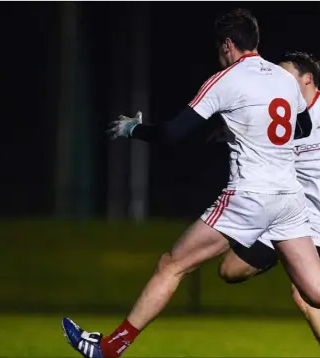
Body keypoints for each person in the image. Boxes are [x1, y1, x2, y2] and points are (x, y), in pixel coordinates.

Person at [61, 9, 320, 358]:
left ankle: (109, 348)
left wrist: (133, 129)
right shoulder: (282, 79)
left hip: (250, 197)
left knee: (172, 265)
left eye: (218, 47)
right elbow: (301, 129)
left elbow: (172, 134)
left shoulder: (226, 79)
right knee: (315, 292)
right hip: (289, 199)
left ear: (228, 44)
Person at [218, 51, 320, 343]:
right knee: (230, 270)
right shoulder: (280, 114)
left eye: (286, 75)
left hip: (316, 221)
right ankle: (288, 254)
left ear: (307, 79)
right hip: (287, 216)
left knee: (304, 295)